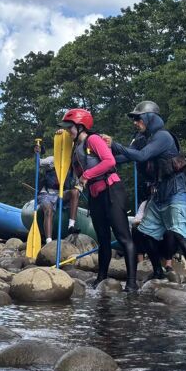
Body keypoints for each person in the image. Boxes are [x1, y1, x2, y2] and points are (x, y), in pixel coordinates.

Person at [107, 101, 186, 288]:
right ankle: (158, 271)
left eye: (138, 118)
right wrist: (103, 156)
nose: (135, 122)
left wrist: (116, 144)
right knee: (144, 233)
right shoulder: (144, 139)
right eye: (134, 119)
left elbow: (142, 156)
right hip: (159, 193)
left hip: (176, 190)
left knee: (179, 235)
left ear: (151, 117)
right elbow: (125, 157)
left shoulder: (163, 137)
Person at [59, 108, 138, 292]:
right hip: (95, 195)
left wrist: (86, 175)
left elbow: (109, 161)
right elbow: (61, 150)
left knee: (123, 237)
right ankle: (101, 278)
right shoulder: (74, 146)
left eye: (69, 127)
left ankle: (132, 282)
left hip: (112, 191)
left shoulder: (93, 140)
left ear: (80, 127)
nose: (67, 131)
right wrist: (59, 135)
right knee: (102, 239)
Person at [33, 142, 79, 245]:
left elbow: (77, 184)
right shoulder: (52, 160)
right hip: (46, 194)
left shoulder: (73, 166)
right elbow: (38, 163)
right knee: (48, 210)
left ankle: (71, 225)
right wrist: (37, 153)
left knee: (75, 192)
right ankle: (49, 241)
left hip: (61, 194)